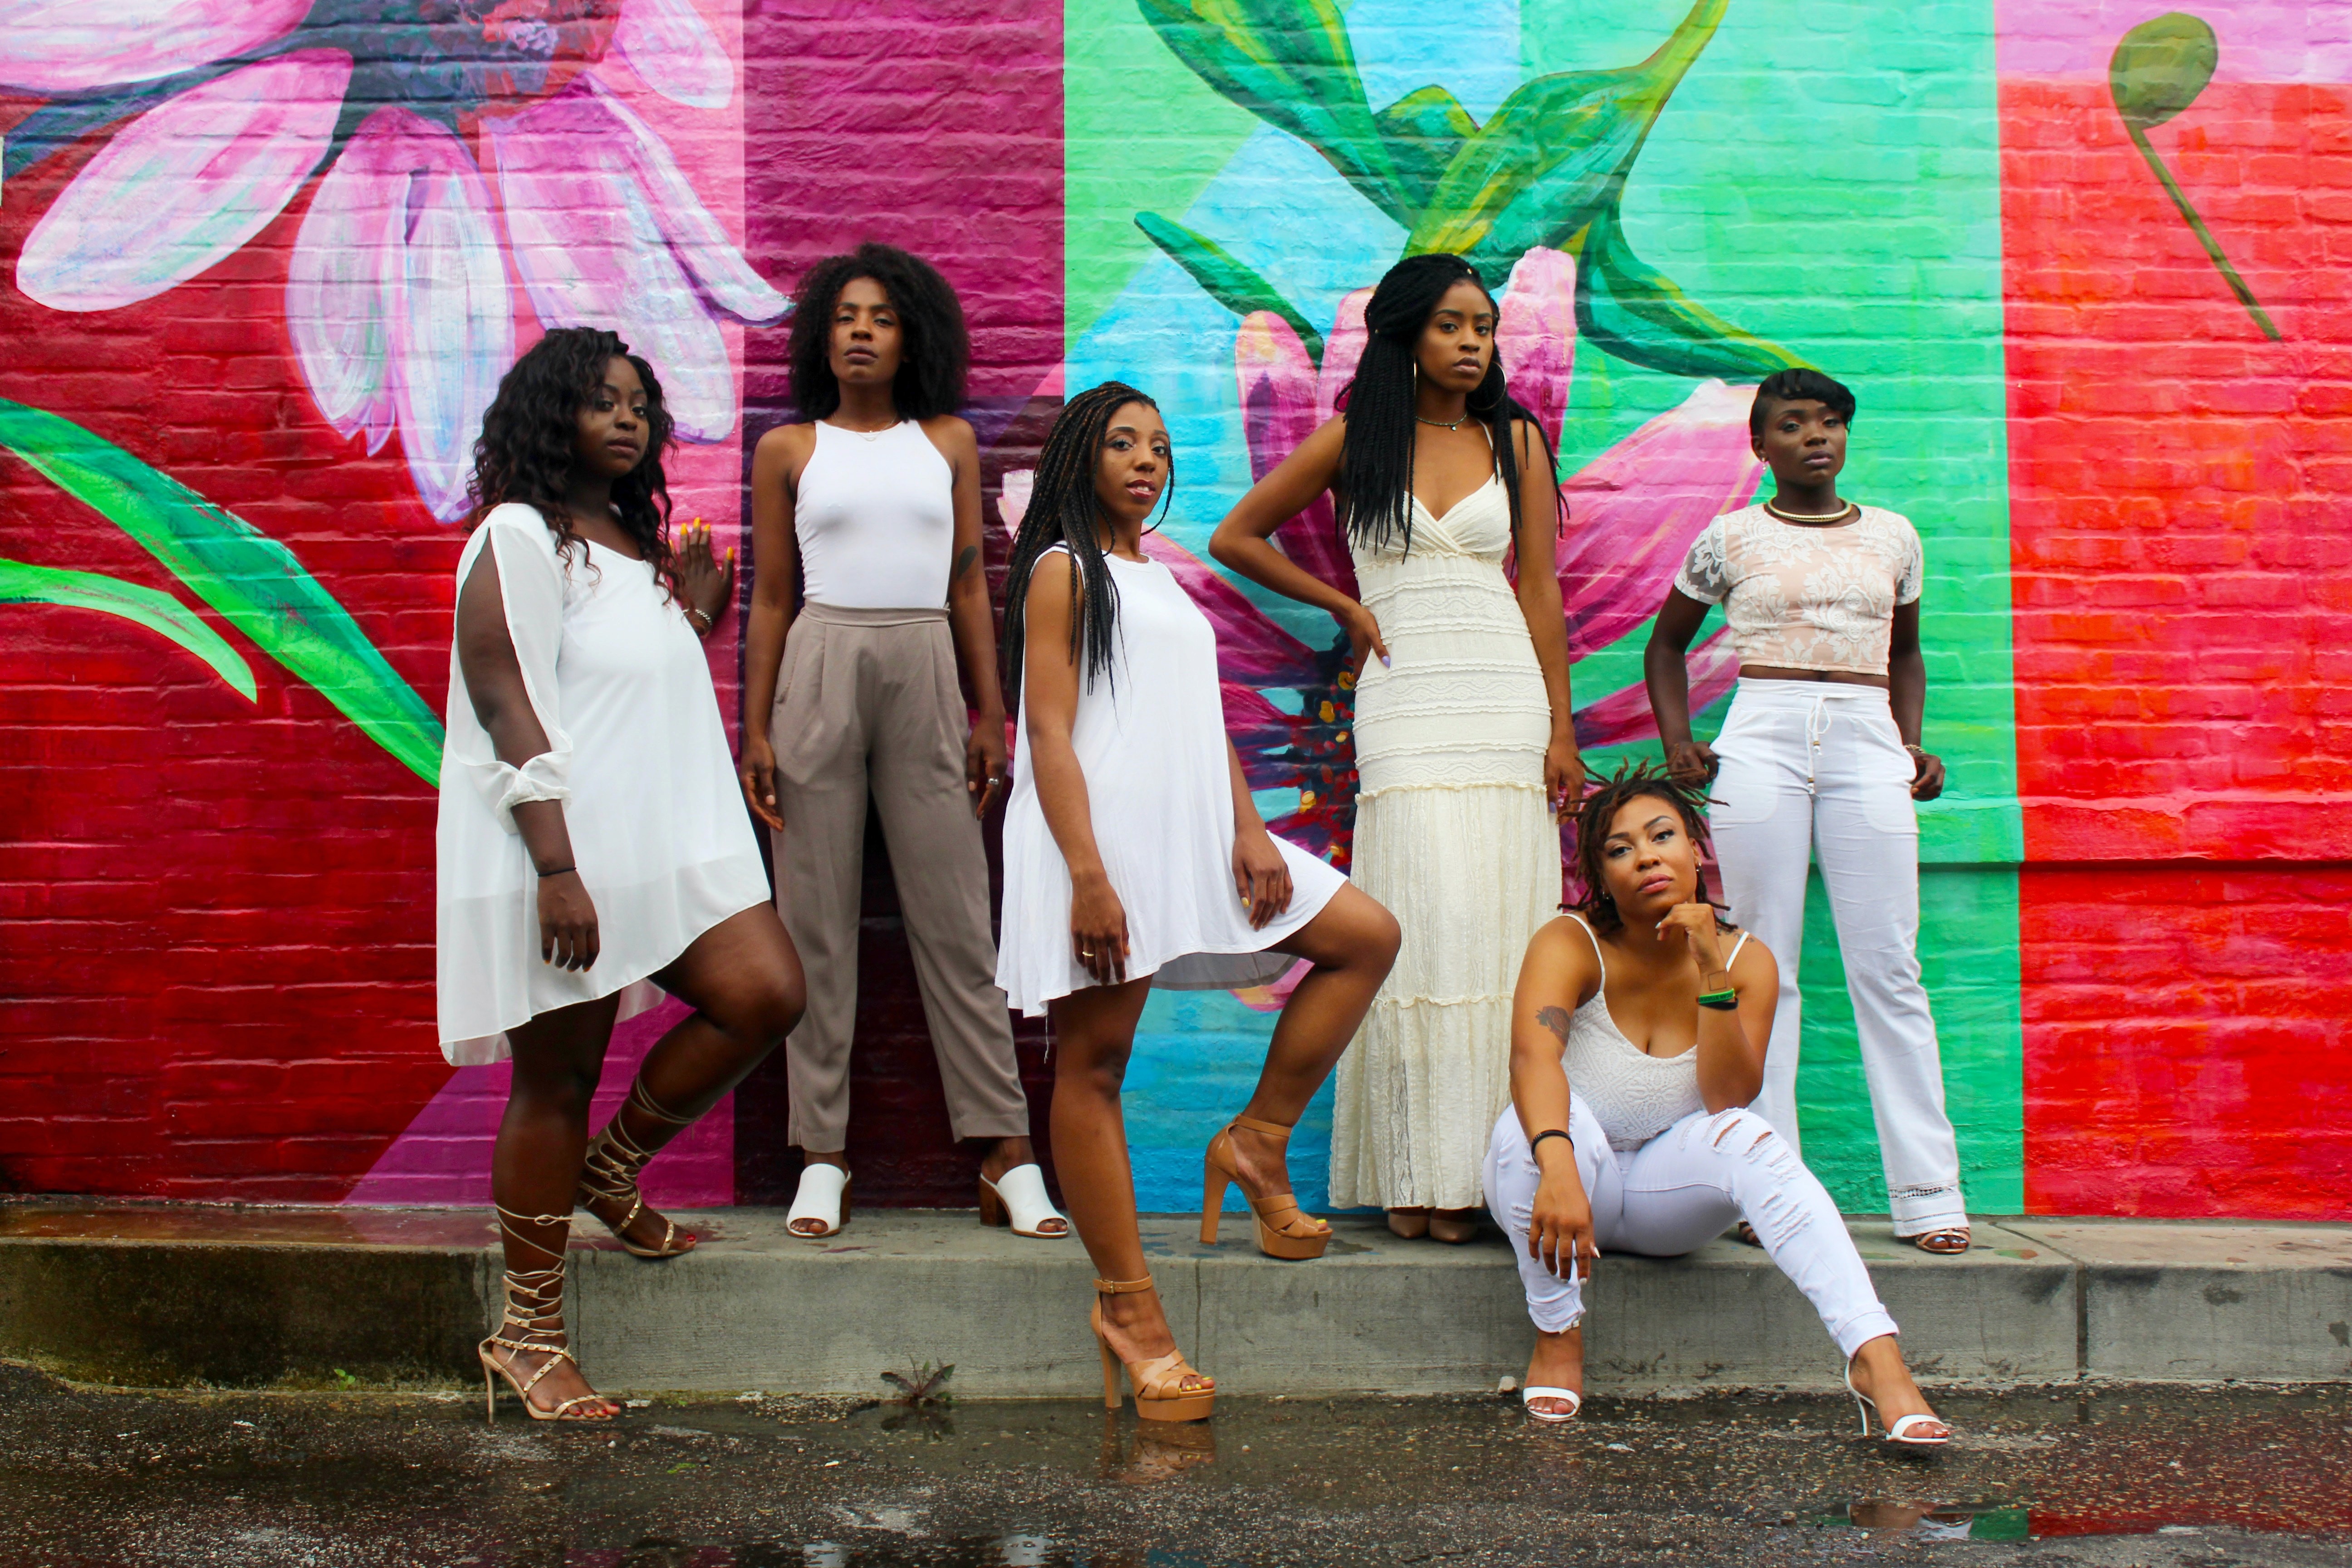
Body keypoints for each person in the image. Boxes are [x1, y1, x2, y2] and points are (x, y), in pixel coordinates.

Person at [996, 382, 1401, 1420]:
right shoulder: (1061, 571)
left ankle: (1256, 1140)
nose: (1147, 461)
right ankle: (1130, 1311)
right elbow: (1048, 733)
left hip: (1198, 832)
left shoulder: (1158, 576)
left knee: (1363, 937)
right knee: (1095, 1066)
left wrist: (1250, 825)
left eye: (1160, 448)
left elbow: (1198, 718)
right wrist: (1087, 873)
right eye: (1122, 443)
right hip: (1102, 839)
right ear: (1078, 457)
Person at [439, 328, 806, 1421]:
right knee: (554, 1081)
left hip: (659, 847)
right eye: (602, 400)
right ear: (552, 416)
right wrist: (557, 867)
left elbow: (618, 680)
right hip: (564, 854)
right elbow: (509, 695)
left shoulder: (621, 546)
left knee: (765, 993)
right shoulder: (516, 535)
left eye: (640, 402)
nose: (628, 416)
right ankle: (528, 1334)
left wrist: (685, 612)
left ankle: (613, 1169)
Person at [1209, 253, 1583, 1243]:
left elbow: (1540, 589)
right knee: (1419, 920)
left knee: (1498, 931)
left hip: (1501, 695)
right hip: (1405, 697)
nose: (1473, 344)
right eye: (1454, 325)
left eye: (1486, 327)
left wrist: (1561, 731)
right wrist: (1340, 601)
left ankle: (1476, 1177)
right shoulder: (1354, 438)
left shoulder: (1515, 439)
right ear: (1408, 334)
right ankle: (1411, 1174)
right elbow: (1236, 537)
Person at [740, 243, 1063, 1242]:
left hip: (926, 661)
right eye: (845, 317)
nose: (862, 332)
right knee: (816, 926)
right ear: (821, 339)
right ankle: (823, 1154)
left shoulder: (949, 442)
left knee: (959, 921)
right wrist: (753, 729)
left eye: (880, 317)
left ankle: (1005, 1150)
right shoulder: (789, 450)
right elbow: (772, 599)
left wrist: (990, 711)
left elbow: (972, 582)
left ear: (910, 334)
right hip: (821, 662)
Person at [1485, 764, 1950, 1445]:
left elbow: (1727, 1097)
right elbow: (1533, 1060)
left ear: (1694, 849)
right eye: (1619, 849)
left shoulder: (1746, 960)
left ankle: (1877, 1360)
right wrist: (1558, 1169)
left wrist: (1711, 971)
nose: (1645, 856)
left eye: (1661, 835)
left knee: (1748, 1135)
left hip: (1660, 1198)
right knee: (1543, 1130)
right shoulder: (1571, 941)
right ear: (1600, 876)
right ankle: (1558, 1335)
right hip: (1563, 1182)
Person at [1643, 368, 1969, 1254]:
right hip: (1763, 733)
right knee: (1761, 965)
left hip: (1867, 736)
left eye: (1830, 423)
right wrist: (1681, 740)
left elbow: (1906, 656)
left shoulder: (1894, 537)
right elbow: (1666, 645)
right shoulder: (1730, 537)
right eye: (1794, 425)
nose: (1816, 437)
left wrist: (1909, 744)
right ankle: (1763, 1186)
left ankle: (1930, 1194)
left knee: (1888, 966)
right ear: (1762, 445)